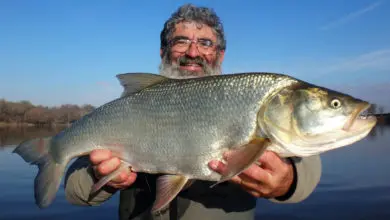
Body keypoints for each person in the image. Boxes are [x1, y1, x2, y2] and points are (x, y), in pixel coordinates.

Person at [64, 4, 322, 220]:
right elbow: (75, 192)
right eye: (181, 41)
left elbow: (306, 164)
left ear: (219, 56)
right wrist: (103, 178)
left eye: (205, 43)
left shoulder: (244, 96)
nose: (192, 52)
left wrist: (287, 180)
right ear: (163, 52)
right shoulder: (130, 108)